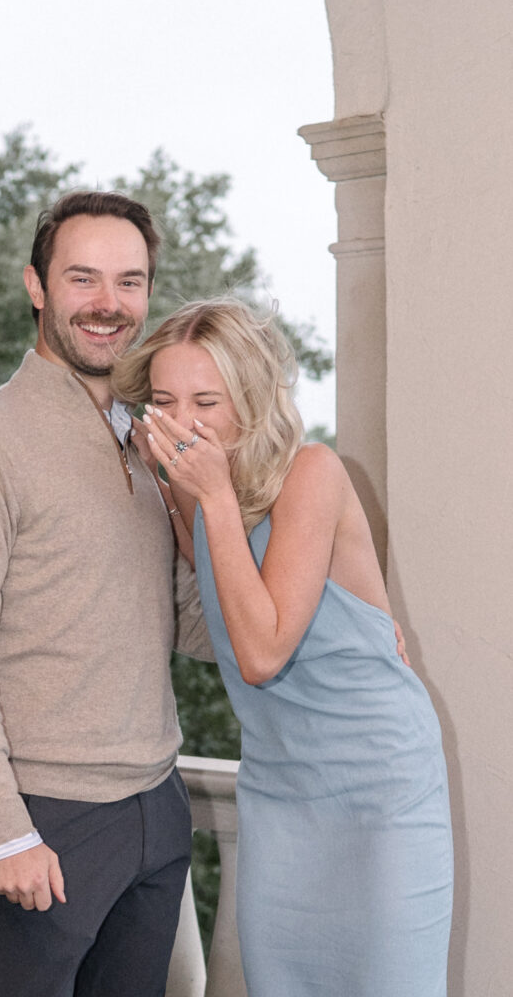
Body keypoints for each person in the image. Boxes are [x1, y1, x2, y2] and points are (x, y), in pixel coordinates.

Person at [0, 191, 213, 997]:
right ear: (36, 286)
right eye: (83, 278)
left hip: (156, 805)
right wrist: (3, 831)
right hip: (47, 816)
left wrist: (312, 602)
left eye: (128, 281)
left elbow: (190, 628)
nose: (108, 303)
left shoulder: (146, 441)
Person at [112, 296, 454, 997]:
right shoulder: (196, 485)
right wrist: (178, 488)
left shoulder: (312, 472)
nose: (184, 421)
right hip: (279, 786)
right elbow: (218, 587)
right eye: (166, 401)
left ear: (252, 397)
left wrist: (211, 498)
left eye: (207, 400)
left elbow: (261, 654)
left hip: (379, 786)